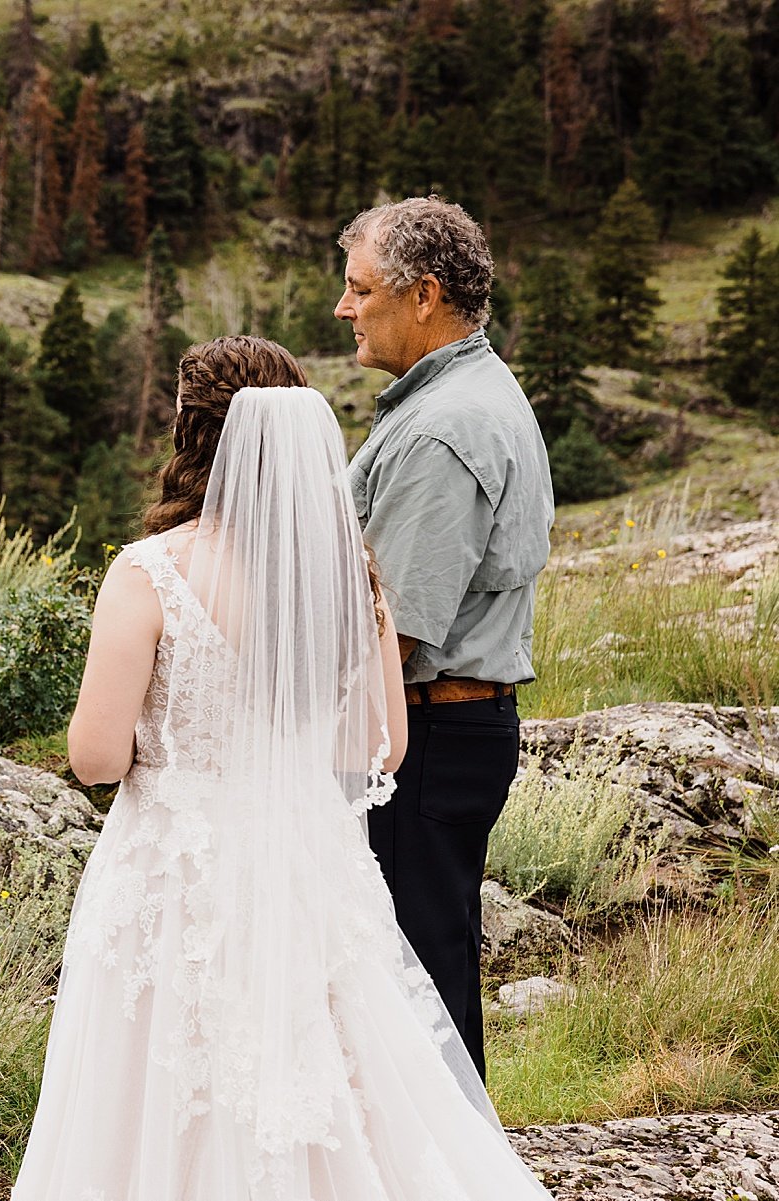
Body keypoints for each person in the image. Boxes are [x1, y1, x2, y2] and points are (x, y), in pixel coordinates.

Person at [12, 335, 553, 1200]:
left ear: (191, 432)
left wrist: (183, 742)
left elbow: (96, 756)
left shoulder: (148, 573)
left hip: (175, 866)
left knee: (162, 1074)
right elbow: (375, 749)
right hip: (306, 857)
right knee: (326, 1064)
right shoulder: (351, 575)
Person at [335, 196, 554, 1078]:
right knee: (428, 971)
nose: (345, 308)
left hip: (418, 735)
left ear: (423, 295)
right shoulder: (465, 395)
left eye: (360, 289)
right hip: (440, 732)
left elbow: (400, 631)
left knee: (413, 983)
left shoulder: (441, 430)